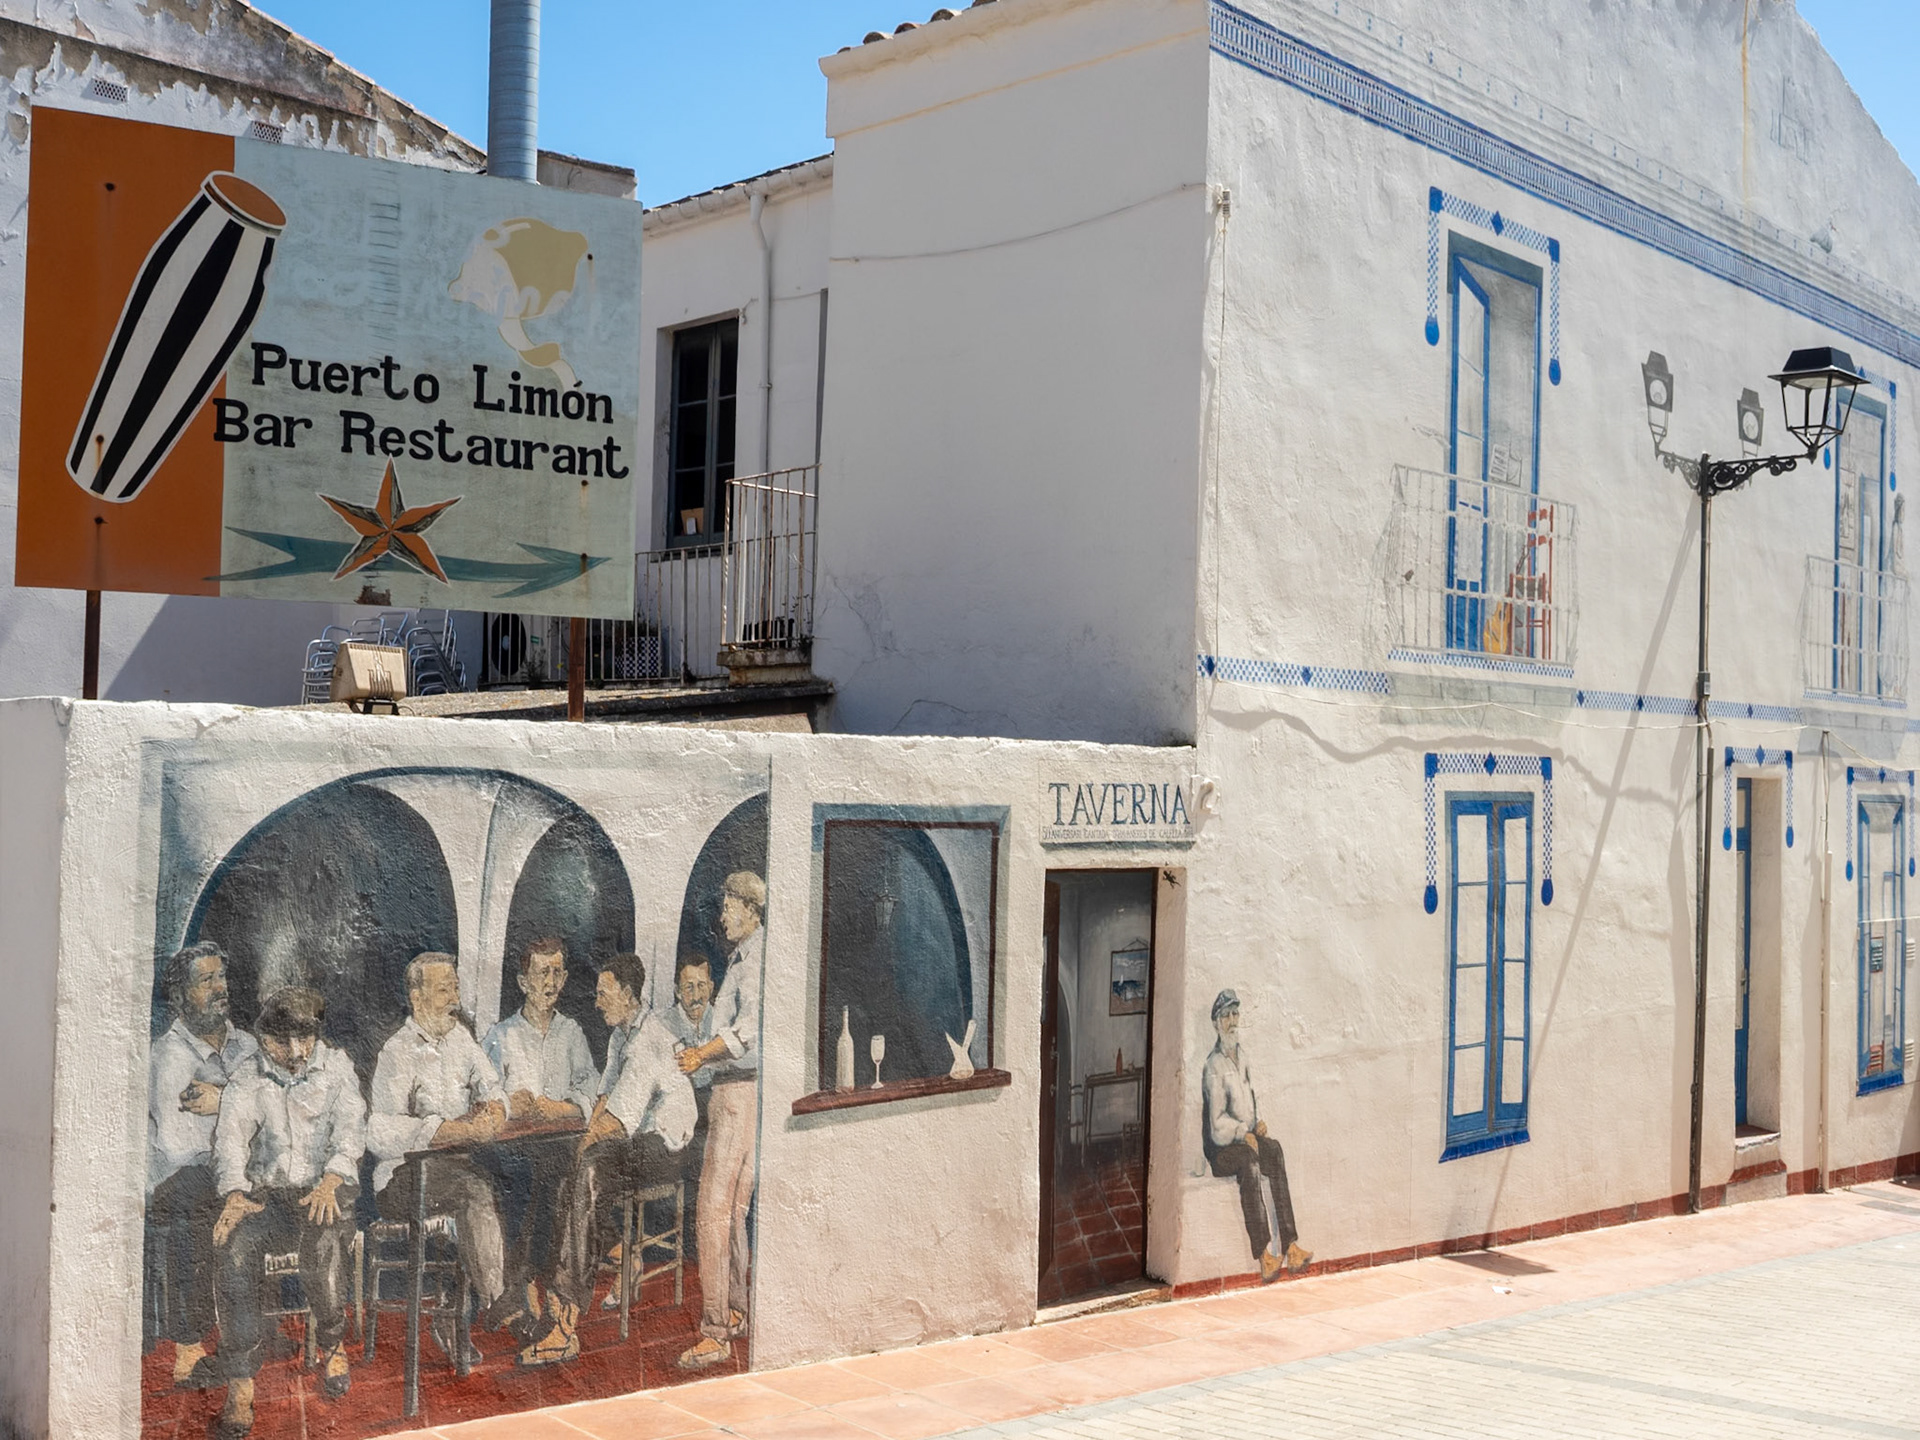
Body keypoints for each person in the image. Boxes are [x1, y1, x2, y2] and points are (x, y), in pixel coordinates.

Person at [520, 952, 696, 1366]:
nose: (596, 1001)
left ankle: (565, 1324)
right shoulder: (621, 1035)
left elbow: (618, 1121)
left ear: (628, 995)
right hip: (637, 1139)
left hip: (667, 1149)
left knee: (589, 1171)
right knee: (566, 1172)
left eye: (604, 993)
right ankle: (615, 1256)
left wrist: (583, 1148)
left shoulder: (648, 1040)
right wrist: (581, 1143)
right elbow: (603, 1100)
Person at [208, 988, 365, 1438]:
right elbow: (230, 1141)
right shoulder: (246, 1078)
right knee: (234, 1249)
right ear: (263, 1039)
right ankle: (240, 1383)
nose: (295, 1053)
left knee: (325, 1245)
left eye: (305, 1039)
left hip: (326, 1188)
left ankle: (333, 1346)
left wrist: (332, 1179)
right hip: (269, 1197)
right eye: (283, 1042)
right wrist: (235, 1193)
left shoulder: (336, 1067)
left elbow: (351, 1131)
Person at [368, 953, 513, 1363]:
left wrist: (495, 1111)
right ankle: (496, 1299)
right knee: (473, 1192)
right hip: (401, 1177)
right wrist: (447, 1130)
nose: (454, 997)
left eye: (456, 987)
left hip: (452, 1169)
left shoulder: (460, 1039)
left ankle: (456, 1317)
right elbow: (380, 1132)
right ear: (417, 998)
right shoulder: (396, 1051)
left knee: (512, 1181)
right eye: (444, 988)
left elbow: (493, 1088)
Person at [147, 941, 259, 1389]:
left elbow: (277, 1117)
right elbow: (178, 1146)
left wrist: (222, 1102)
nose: (219, 988)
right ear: (180, 995)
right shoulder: (168, 1057)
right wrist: (240, 1112)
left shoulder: (249, 1047)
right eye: (206, 980)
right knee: (197, 1197)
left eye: (222, 977)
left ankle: (248, 1338)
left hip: (237, 1171)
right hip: (181, 1177)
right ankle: (189, 1346)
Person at [675, 870, 765, 1371]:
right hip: (750, 1094)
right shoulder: (748, 958)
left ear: (751, 910)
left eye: (730, 906)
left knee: (711, 1209)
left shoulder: (751, 963)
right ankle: (734, 1311)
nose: (723, 915)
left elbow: (746, 1032)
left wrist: (699, 1056)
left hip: (736, 1094)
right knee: (732, 1210)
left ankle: (714, 1331)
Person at [482, 937, 596, 1324]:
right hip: (513, 1149)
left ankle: (535, 1290)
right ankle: (526, 1288)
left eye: (557, 972)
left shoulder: (572, 1033)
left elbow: (588, 1090)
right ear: (522, 981)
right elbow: (484, 1094)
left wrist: (556, 1108)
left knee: (560, 1177)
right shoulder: (501, 1036)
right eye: (541, 973)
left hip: (562, 1142)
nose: (551, 981)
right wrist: (514, 1104)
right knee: (524, 1176)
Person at [1202, 989, 1311, 1283]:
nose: (1232, 1021)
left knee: (1273, 1150)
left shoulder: (1243, 1057)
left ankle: (1290, 1246)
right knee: (1249, 1162)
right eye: (1226, 1016)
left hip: (1245, 1137)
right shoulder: (1213, 1066)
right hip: (1221, 1149)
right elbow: (1216, 1125)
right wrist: (1242, 1132)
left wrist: (1256, 1124)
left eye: (1235, 1014)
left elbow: (1248, 1102)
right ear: (1216, 1023)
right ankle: (1264, 1256)